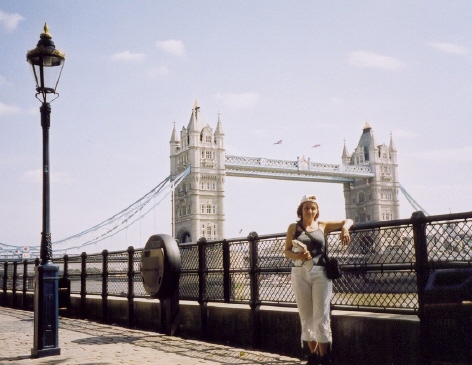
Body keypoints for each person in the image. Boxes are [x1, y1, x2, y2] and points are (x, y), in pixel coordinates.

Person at [284, 195, 353, 365]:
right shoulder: (293, 227)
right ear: (301, 210)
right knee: (306, 315)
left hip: (321, 273)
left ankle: (325, 357)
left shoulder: (322, 225)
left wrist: (345, 229)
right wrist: (297, 254)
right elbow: (286, 251)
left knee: (321, 315)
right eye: (306, 207)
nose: (310, 211)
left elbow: (349, 219)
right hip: (300, 271)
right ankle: (313, 356)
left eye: (313, 208)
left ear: (317, 210)